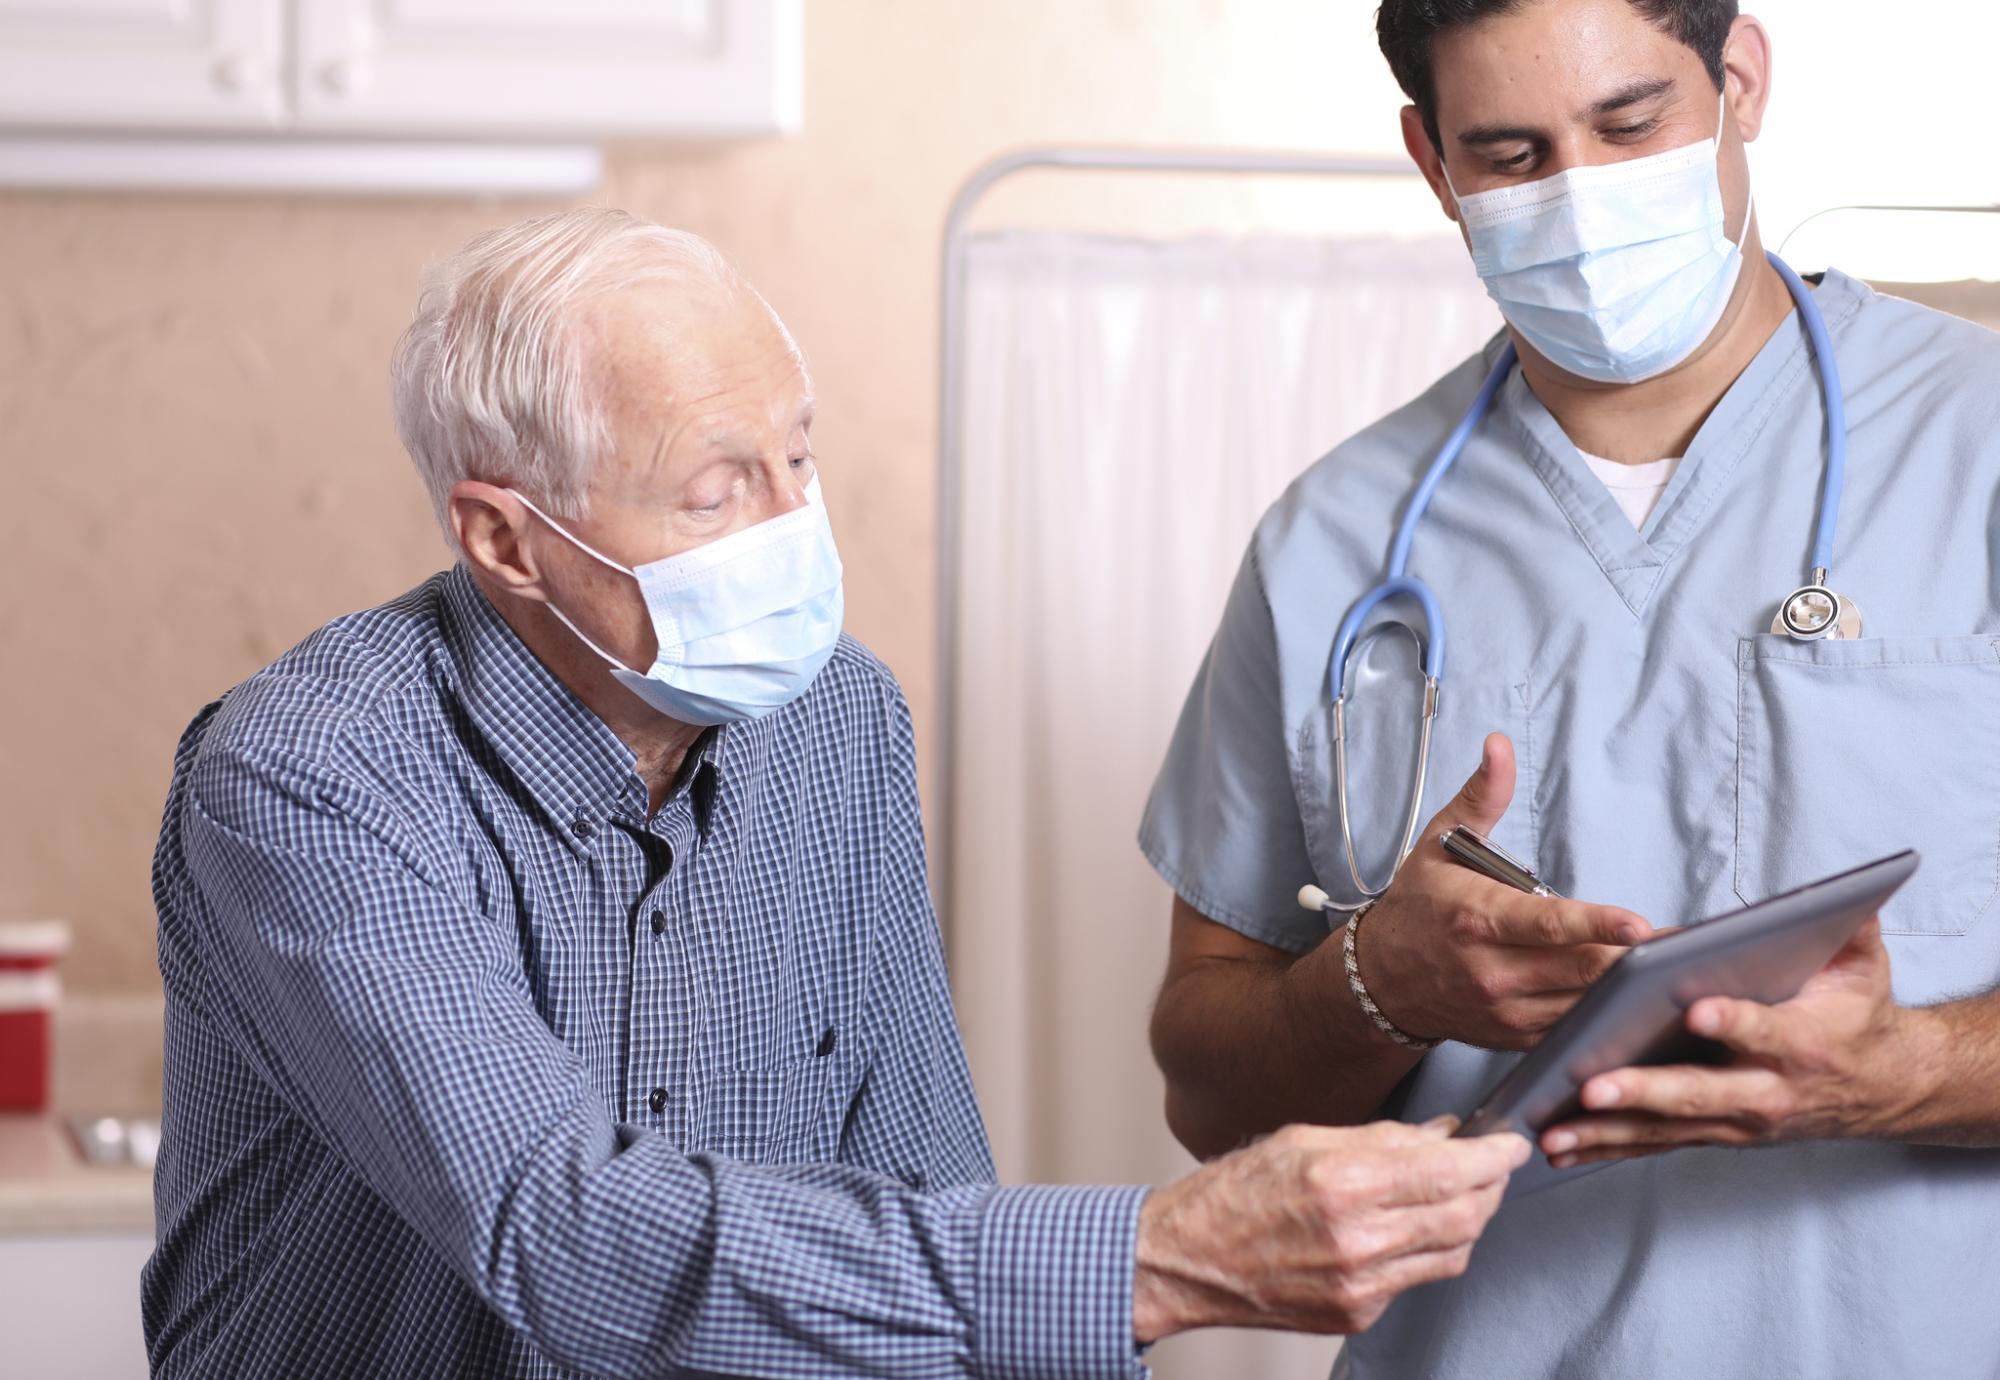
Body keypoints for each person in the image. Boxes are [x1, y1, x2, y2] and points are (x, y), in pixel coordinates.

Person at [141, 207, 1527, 1378]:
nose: (792, 527)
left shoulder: (837, 720)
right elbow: (559, 1234)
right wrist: (1160, 1254)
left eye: (796, 455)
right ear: (507, 538)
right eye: (714, 492)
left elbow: (923, 1181)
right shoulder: (308, 781)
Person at [1142, 1, 2000, 1376]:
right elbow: (1206, 1087)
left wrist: (1906, 1069)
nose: (1585, 199)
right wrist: (1375, 982)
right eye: (1512, 152)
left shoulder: (1976, 445)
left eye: (1630, 124)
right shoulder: (1335, 542)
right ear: (1434, 164)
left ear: (1740, 81)